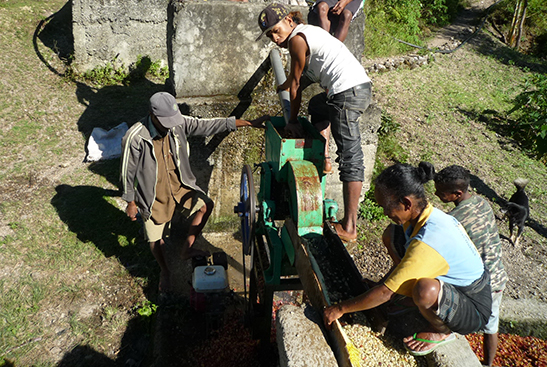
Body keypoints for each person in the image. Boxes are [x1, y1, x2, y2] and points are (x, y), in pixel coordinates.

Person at [323, 162, 492, 356]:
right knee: (392, 234)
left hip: (473, 305)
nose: (385, 213)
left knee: (424, 290)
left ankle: (442, 331)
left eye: (386, 207)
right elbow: (400, 270)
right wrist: (386, 285)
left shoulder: (430, 240)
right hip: (453, 284)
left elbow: (385, 294)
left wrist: (340, 308)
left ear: (406, 203)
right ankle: (404, 293)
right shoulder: (420, 217)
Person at [120, 91, 267, 293]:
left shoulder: (178, 122)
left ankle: (186, 248)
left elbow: (210, 124)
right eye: (166, 121)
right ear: (152, 115)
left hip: (180, 186)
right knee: (156, 240)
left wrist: (249, 123)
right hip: (154, 194)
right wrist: (130, 202)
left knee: (206, 206)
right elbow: (127, 172)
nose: (172, 125)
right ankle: (165, 271)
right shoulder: (135, 137)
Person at [257, 3, 372, 242]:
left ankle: (350, 226)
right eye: (270, 36)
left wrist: (292, 120)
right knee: (318, 106)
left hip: (346, 93)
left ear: (289, 20)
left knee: (351, 156)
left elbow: (297, 84)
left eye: (276, 31)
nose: (275, 39)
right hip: (356, 87)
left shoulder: (297, 40)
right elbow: (305, 75)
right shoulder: (310, 32)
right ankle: (325, 157)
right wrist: (287, 82)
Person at [434, 165, 508, 367]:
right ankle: (488, 364)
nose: (436, 194)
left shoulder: (456, 220)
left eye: (441, 192)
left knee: (458, 308)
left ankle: (446, 332)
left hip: (483, 281)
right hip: (498, 275)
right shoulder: (482, 203)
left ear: (456, 193)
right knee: (492, 326)